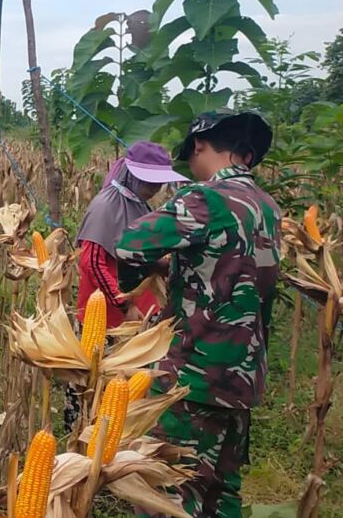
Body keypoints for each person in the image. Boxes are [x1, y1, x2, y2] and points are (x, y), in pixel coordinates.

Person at [116, 110, 281, 518]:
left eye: (190, 154)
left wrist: (149, 272)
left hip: (194, 374)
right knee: (221, 494)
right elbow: (231, 268)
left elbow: (129, 245)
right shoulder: (268, 206)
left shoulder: (204, 198)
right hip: (243, 377)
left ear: (201, 146)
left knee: (168, 488)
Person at [62, 141, 188, 430]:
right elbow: (92, 262)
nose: (154, 189)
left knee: (121, 398)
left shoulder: (139, 205)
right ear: (131, 174)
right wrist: (125, 303)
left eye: (157, 183)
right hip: (106, 320)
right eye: (148, 181)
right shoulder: (107, 206)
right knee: (90, 390)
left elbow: (135, 256)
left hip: (135, 323)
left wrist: (160, 267)